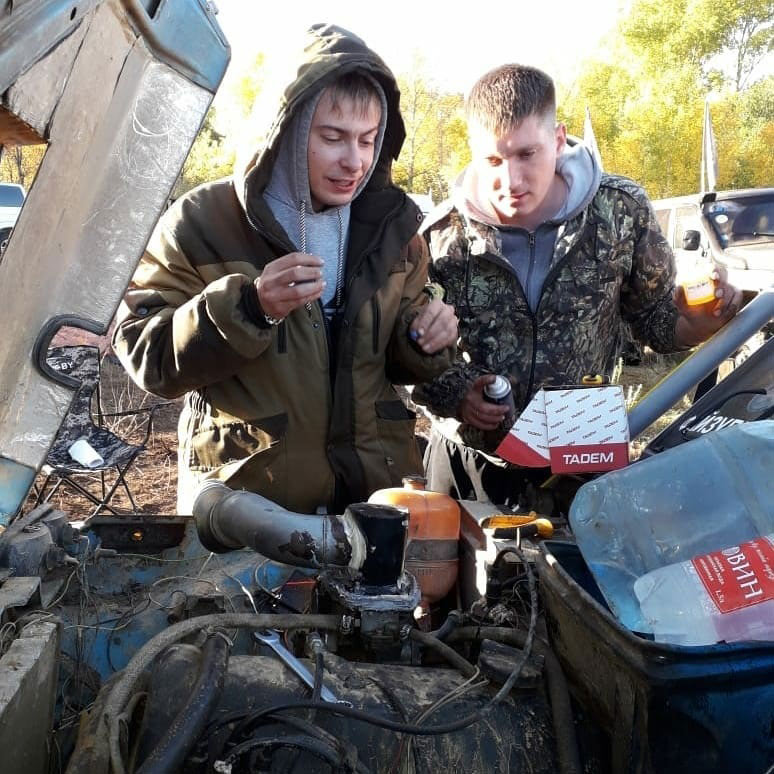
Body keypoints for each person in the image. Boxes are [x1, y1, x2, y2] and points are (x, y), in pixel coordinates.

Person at [112, 24, 457, 514]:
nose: (354, 161)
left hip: (372, 507)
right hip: (247, 511)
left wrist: (426, 339)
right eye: (333, 137)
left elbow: (397, 362)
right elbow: (148, 356)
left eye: (368, 139)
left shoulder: (393, 229)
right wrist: (250, 308)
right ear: (288, 131)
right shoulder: (201, 222)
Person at [414, 64, 741, 506]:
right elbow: (407, 353)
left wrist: (701, 320)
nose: (510, 180)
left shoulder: (619, 212)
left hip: (582, 463)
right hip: (468, 468)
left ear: (558, 138)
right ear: (472, 151)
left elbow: (659, 326)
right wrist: (456, 392)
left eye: (527, 154)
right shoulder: (439, 238)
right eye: (492, 160)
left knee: (572, 576)